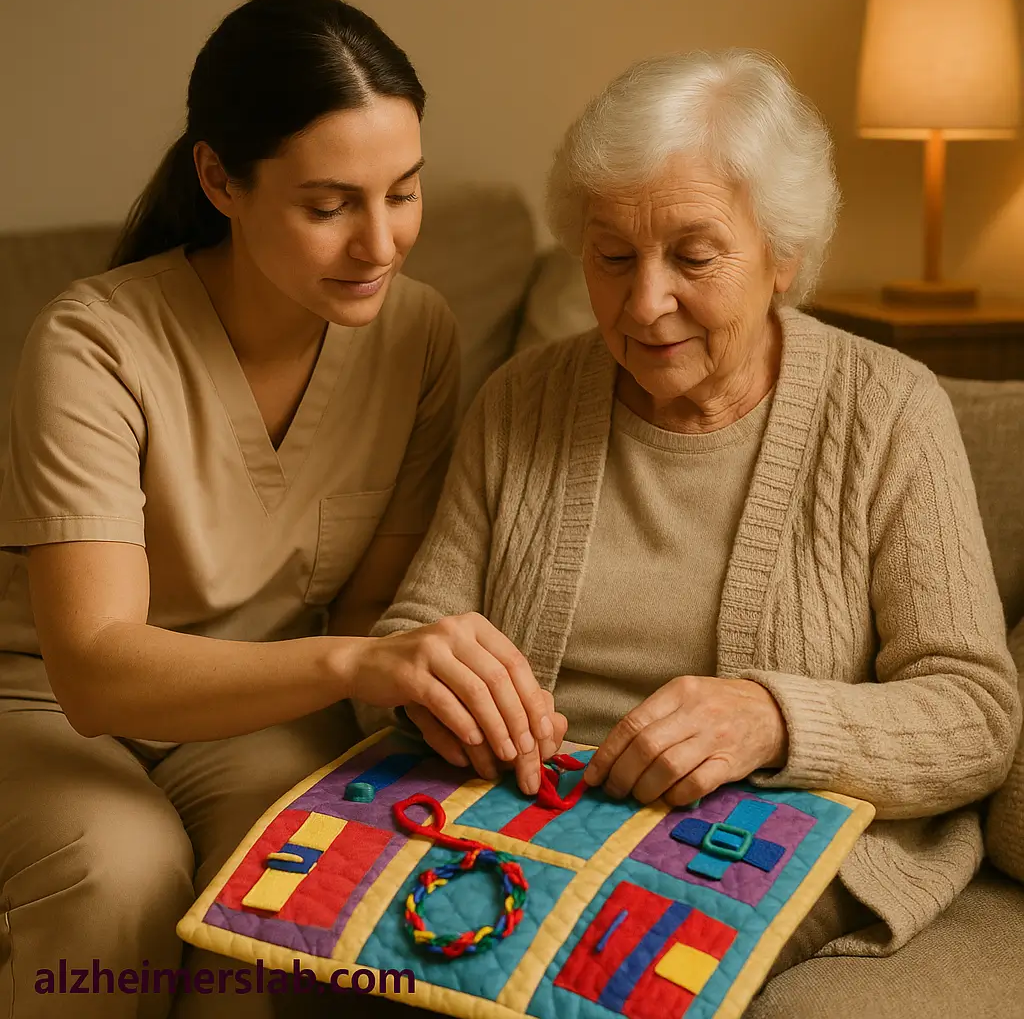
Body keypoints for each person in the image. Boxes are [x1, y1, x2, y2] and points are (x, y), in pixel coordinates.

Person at [360, 49, 1022, 1011]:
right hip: (525, 821)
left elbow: (977, 714)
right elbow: (409, 634)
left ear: (783, 254)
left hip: (765, 837)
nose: (643, 304)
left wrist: (773, 717)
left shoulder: (888, 411)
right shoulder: (520, 402)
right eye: (613, 257)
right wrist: (430, 689)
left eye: (694, 257)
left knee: (602, 967)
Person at [0, 0, 558, 1017]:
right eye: (330, 204)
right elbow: (93, 669)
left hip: (260, 710)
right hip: (42, 702)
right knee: (120, 871)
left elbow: (369, 608)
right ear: (220, 180)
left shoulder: (418, 334)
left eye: (404, 192)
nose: (380, 242)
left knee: (295, 864)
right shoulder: (92, 342)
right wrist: (358, 661)